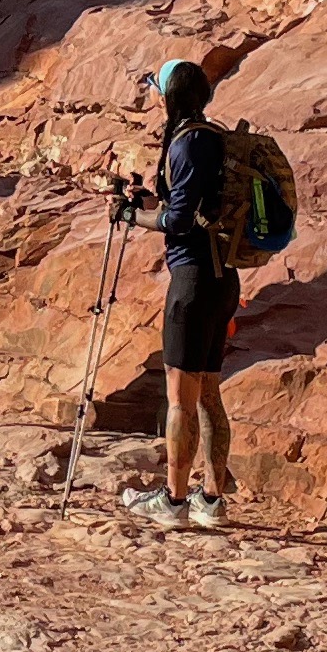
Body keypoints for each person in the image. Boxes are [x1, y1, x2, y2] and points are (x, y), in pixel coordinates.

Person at [123, 58, 235, 530]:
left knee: (180, 397)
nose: (151, 94)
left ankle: (173, 502)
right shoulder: (213, 137)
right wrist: (154, 202)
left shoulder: (186, 143)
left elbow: (179, 221)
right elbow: (192, 204)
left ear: (169, 94)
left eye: (155, 86)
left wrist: (133, 216)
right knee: (209, 392)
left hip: (191, 282)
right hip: (223, 278)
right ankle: (212, 500)